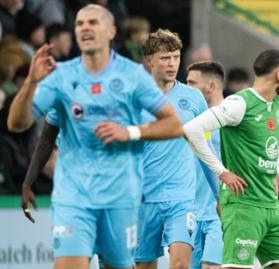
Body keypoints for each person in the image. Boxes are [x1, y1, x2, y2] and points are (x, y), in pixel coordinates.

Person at [7, 5, 183, 269]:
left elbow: (173, 125)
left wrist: (130, 132)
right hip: (74, 197)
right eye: (79, 24)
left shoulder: (132, 76)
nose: (85, 27)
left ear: (111, 31)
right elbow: (18, 124)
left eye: (93, 22)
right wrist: (31, 84)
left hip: (120, 198)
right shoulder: (61, 77)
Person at [184, 49, 279, 269]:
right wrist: (222, 172)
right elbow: (191, 130)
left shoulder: (278, 105)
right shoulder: (239, 103)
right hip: (242, 205)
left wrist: (276, 173)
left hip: (270, 204)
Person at [135, 28, 211, 269]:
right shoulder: (134, 98)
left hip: (182, 198)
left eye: (176, 57)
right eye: (165, 58)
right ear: (149, 60)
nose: (172, 64)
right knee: (144, 265)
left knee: (180, 264)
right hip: (143, 198)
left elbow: (205, 149)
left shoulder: (194, 98)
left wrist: (218, 194)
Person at [186, 61, 225, 269]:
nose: (186, 88)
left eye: (192, 83)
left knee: (212, 266)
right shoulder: (190, 121)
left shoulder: (232, 120)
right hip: (191, 212)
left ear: (211, 87)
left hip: (218, 213)